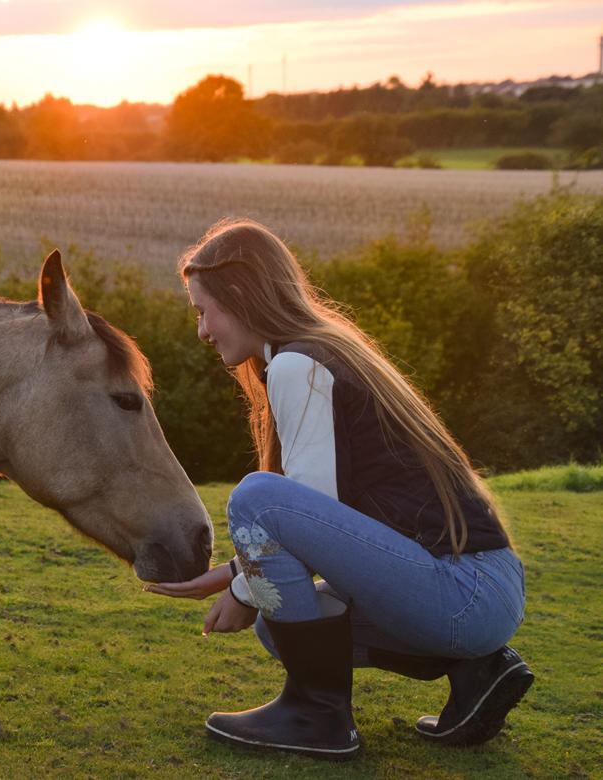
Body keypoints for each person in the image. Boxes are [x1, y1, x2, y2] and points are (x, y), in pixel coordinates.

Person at [146, 218, 531, 760]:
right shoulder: (320, 349)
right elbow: (325, 524)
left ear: (243, 297)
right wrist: (236, 575)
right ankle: (475, 673)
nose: (202, 332)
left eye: (202, 311)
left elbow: (307, 513)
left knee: (255, 496)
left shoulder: (297, 363)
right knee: (282, 627)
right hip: (483, 590)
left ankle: (316, 717)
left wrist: (241, 589)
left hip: (461, 591)